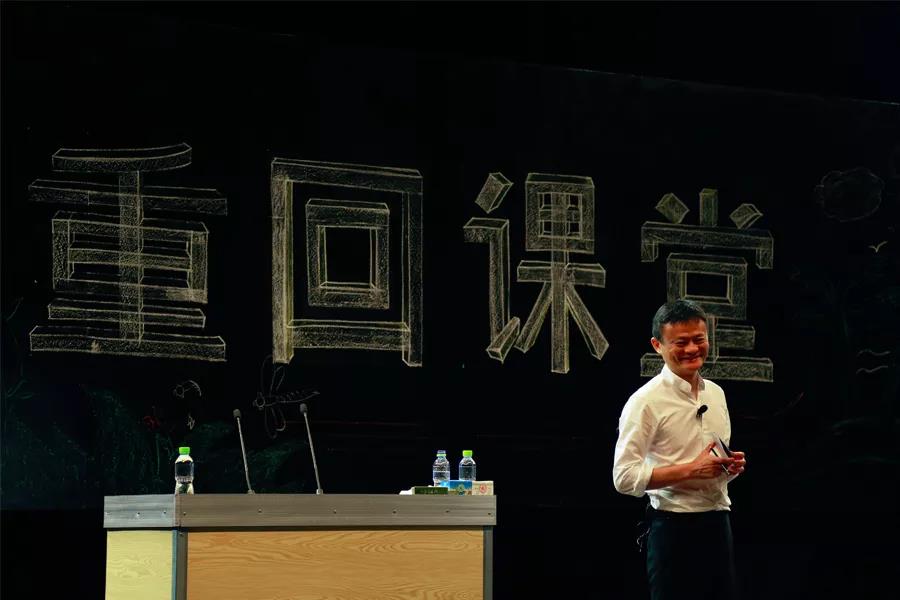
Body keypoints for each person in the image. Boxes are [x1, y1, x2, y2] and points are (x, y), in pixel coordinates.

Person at [613, 299, 747, 600]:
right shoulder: (644, 402)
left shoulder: (716, 393)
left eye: (699, 340)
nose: (692, 349)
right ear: (657, 345)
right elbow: (623, 477)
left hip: (718, 522)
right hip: (672, 529)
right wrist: (691, 470)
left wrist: (728, 467)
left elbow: (712, 462)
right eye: (681, 342)